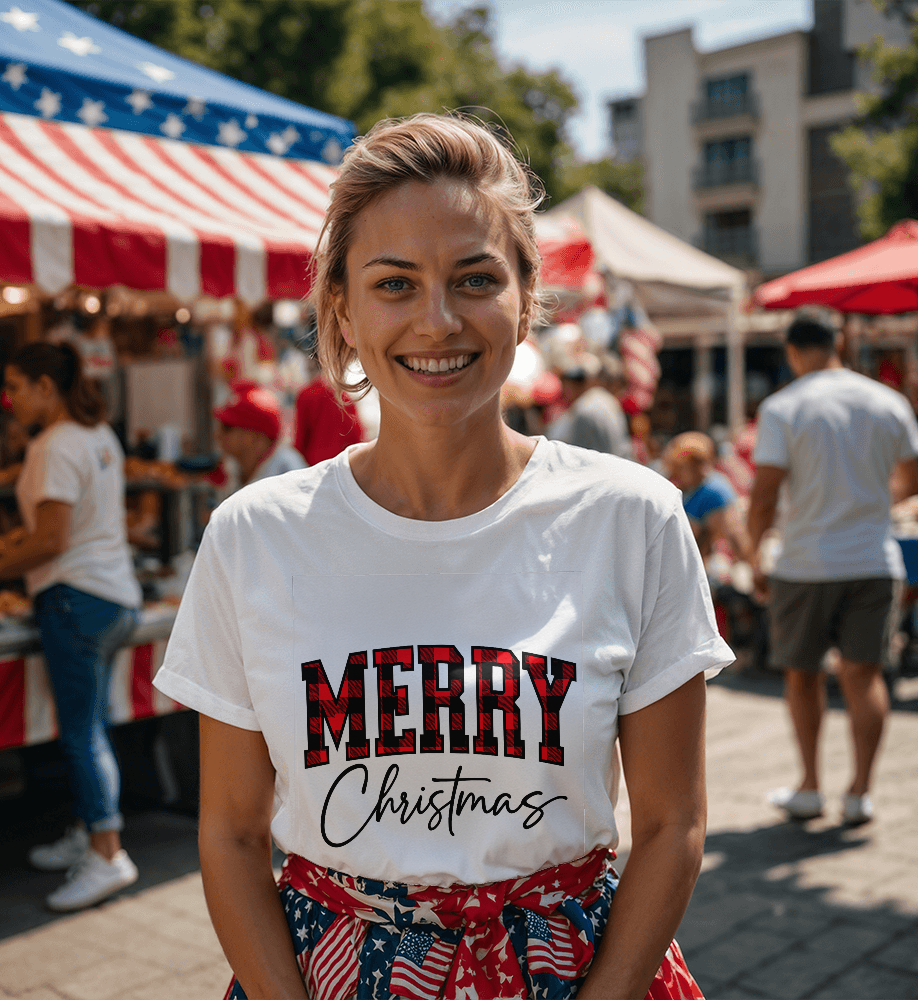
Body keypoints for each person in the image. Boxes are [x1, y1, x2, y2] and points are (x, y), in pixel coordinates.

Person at [153, 113, 732, 1000]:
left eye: (474, 279)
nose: (437, 320)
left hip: (581, 972)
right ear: (341, 307)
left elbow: (670, 823)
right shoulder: (253, 537)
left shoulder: (634, 518)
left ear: (526, 298)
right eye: (394, 283)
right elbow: (230, 833)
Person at [0, 342, 142, 911]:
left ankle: (107, 853)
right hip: (114, 598)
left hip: (75, 600)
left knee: (81, 732)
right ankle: (90, 831)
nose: (9, 398)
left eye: (16, 385)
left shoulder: (53, 445)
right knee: (95, 725)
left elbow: (51, 540)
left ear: (46, 386)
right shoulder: (99, 436)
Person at [748, 312, 918, 825]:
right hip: (874, 557)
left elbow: (763, 496)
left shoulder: (784, 408)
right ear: (841, 342)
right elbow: (911, 480)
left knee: (802, 676)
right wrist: (868, 502)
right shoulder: (886, 400)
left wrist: (754, 553)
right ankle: (859, 792)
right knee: (865, 675)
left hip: (805, 561)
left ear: (791, 350)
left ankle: (809, 785)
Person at [665, 431, 752, 565]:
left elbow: (735, 536)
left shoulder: (714, 489)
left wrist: (752, 567)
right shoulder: (680, 488)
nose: (674, 473)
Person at [547, 344, 634, 459]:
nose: (571, 385)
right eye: (569, 379)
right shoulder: (605, 400)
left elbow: (579, 459)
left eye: (579, 380)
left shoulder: (586, 408)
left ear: (593, 379)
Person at [214, 383, 306, 488]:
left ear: (252, 436)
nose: (218, 434)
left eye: (227, 427)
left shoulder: (290, 472)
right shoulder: (236, 468)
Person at [293, 366, 365, 466]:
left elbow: (300, 437)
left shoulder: (305, 395)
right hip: (340, 463)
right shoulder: (343, 396)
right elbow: (357, 435)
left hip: (313, 464)